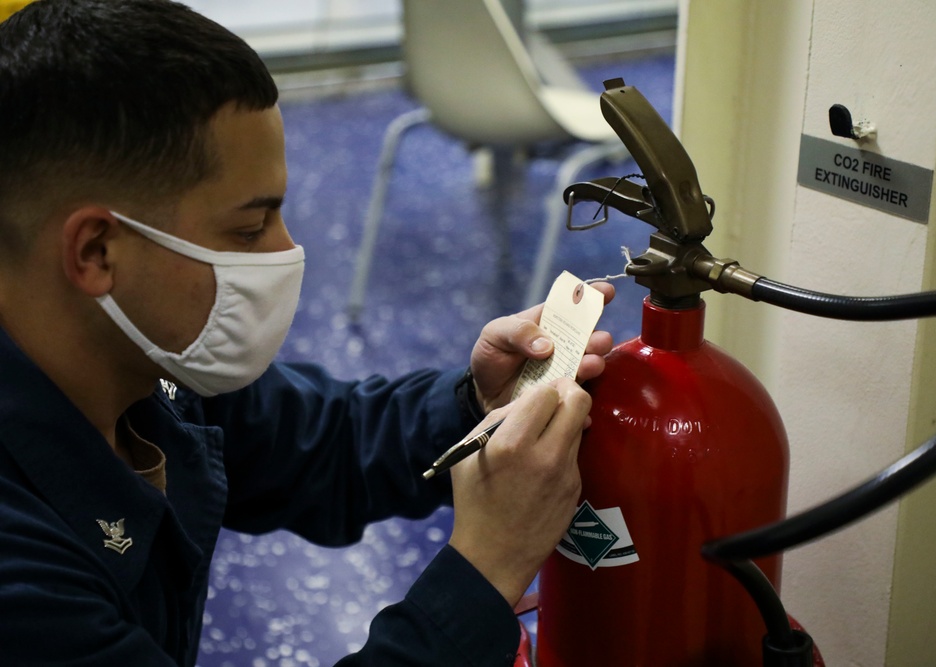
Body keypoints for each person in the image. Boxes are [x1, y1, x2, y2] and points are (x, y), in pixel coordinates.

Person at [0, 1, 615, 665]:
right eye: (247, 229)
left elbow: (322, 438)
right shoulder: (20, 580)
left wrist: (476, 406)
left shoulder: (144, 366)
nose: (286, 251)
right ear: (96, 252)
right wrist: (485, 572)